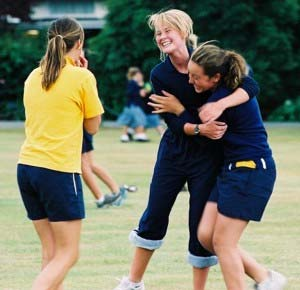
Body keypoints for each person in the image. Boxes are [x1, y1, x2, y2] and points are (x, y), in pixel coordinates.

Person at [114, 9, 259, 290]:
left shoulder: (207, 58)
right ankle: (133, 283)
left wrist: (203, 108)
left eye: (167, 30)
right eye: (157, 33)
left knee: (198, 226)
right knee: (154, 214)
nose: (162, 37)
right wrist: (195, 125)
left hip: (208, 156)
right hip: (174, 152)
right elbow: (170, 119)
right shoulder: (160, 74)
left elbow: (250, 84)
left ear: (182, 31)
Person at [150, 42, 287, 290]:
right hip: (231, 170)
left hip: (250, 169)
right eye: (189, 75)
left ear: (216, 77)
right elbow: (249, 84)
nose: (191, 82)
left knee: (223, 242)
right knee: (205, 235)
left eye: (196, 77)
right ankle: (265, 278)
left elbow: (201, 124)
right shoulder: (225, 88)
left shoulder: (220, 99)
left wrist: (179, 109)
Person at [16, 17, 103, 290]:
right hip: (59, 171)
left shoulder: (33, 75)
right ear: (80, 43)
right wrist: (85, 78)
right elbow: (93, 126)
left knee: (52, 253)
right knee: (68, 254)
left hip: (27, 168)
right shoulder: (82, 77)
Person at [81, 129, 137, 208]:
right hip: (83, 129)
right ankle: (116, 192)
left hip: (79, 129)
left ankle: (101, 199)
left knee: (84, 164)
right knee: (89, 163)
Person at [117, 67, 150, 142]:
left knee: (128, 120)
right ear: (135, 75)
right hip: (134, 105)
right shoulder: (132, 83)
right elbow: (129, 93)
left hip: (130, 105)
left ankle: (126, 135)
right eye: (139, 75)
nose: (141, 77)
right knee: (140, 119)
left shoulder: (135, 83)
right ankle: (139, 135)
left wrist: (141, 88)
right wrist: (139, 92)